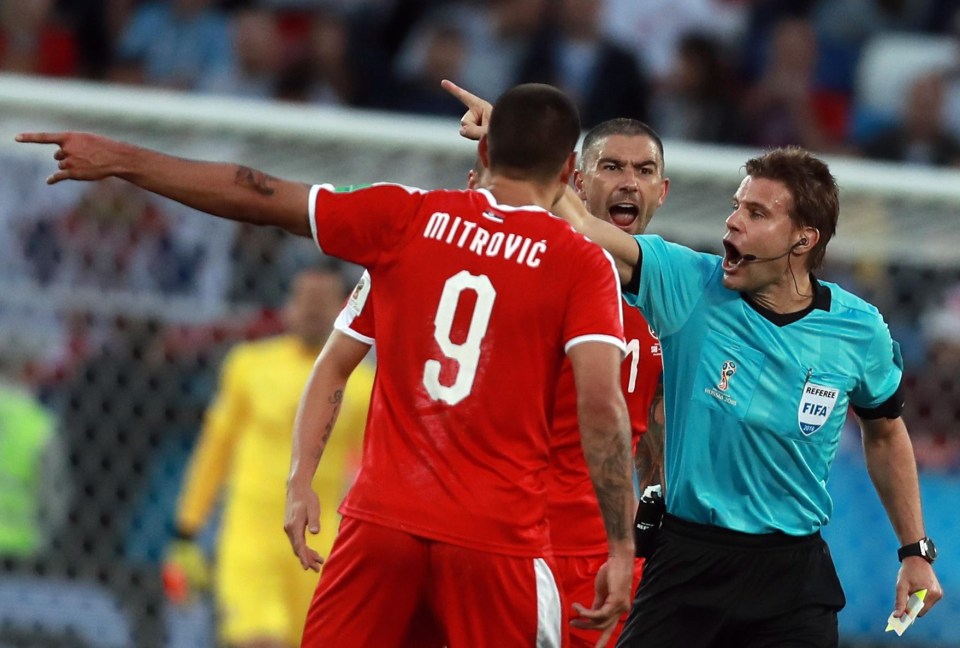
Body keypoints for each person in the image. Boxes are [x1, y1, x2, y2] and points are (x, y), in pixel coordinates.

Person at [17, 82, 637, 647]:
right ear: (567, 172)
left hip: (380, 527)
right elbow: (601, 406)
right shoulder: (582, 264)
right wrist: (619, 540)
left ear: (482, 157)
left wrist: (124, 160)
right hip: (494, 538)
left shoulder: (406, 217)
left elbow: (253, 192)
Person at [550, 145, 944, 646]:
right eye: (737, 206)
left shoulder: (859, 330)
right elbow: (585, 228)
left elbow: (885, 434)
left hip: (791, 579)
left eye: (756, 213)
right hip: (686, 561)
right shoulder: (690, 284)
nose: (733, 222)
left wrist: (914, 550)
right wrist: (525, 151)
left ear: (803, 239)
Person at [163, 265, 373, 648]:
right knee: (260, 641)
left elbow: (367, 472)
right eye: (303, 300)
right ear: (287, 306)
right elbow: (216, 450)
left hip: (321, 546)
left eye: (322, 301)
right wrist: (186, 531)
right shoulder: (249, 366)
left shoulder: (363, 385)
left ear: (344, 308)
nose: (311, 310)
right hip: (252, 536)